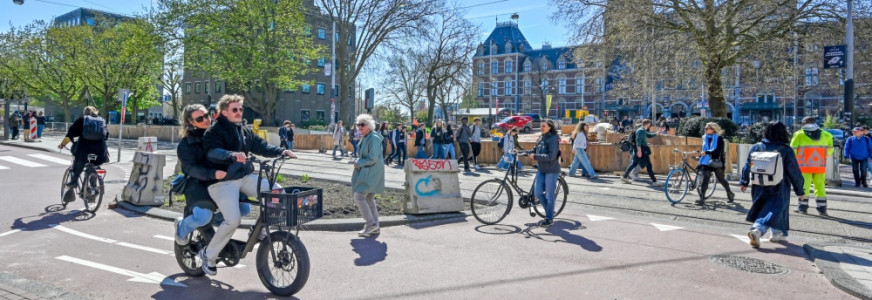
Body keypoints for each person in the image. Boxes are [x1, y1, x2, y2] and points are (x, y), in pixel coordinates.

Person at [200, 95, 296, 276]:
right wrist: (232, 155)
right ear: (224, 112)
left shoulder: (244, 130)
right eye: (234, 109)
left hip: (243, 176)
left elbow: (261, 146)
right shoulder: (214, 131)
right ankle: (208, 255)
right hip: (222, 181)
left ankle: (259, 230)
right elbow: (213, 152)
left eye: (240, 109)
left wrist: (282, 151)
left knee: (277, 192)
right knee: (233, 220)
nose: (239, 112)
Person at [173, 104, 254, 246]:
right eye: (199, 118)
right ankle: (181, 227)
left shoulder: (218, 133)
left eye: (206, 115)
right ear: (191, 123)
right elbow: (190, 168)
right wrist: (213, 173)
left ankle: (215, 221)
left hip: (222, 181)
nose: (206, 120)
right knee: (203, 217)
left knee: (244, 208)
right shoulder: (186, 144)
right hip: (198, 184)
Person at [740, 121, 805, 247]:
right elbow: (794, 171)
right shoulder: (786, 150)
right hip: (779, 185)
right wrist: (800, 190)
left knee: (764, 208)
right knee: (775, 209)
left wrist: (744, 181)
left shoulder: (757, 146)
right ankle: (757, 230)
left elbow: (748, 165)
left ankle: (776, 234)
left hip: (758, 183)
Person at [57, 106, 109, 198]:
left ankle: (73, 183)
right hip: (100, 150)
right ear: (95, 112)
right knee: (93, 166)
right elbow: (106, 136)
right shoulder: (101, 120)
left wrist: (62, 144)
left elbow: (70, 134)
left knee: (78, 166)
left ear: (84, 112)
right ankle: (93, 188)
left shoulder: (82, 120)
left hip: (84, 148)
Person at [790, 116, 834, 216]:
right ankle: (822, 209)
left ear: (804, 123)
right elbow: (831, 149)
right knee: (820, 186)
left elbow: (792, 150)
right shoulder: (826, 135)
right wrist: (822, 156)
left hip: (804, 166)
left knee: (804, 186)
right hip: (819, 165)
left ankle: (802, 208)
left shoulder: (799, 135)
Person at [351, 114, 385, 237]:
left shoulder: (373, 138)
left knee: (359, 196)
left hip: (371, 172)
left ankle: (371, 224)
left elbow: (372, 157)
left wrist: (358, 162)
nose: (360, 127)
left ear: (369, 126)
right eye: (358, 124)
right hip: (371, 171)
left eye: (362, 124)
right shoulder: (367, 137)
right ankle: (375, 226)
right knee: (369, 198)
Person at [527, 119, 561, 227]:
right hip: (542, 169)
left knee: (549, 196)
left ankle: (549, 219)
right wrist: (523, 152)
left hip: (551, 170)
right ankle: (549, 212)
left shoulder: (553, 139)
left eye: (544, 126)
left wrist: (535, 156)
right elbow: (534, 150)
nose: (541, 128)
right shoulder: (541, 137)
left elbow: (551, 156)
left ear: (550, 127)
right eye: (541, 126)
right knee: (537, 193)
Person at [696, 122, 735, 205]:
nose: (705, 130)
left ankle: (730, 193)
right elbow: (703, 148)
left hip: (716, 161)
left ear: (713, 130)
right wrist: (701, 156)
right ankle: (701, 198)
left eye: (707, 128)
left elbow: (718, 150)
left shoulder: (719, 138)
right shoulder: (704, 137)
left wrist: (706, 152)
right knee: (705, 178)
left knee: (721, 179)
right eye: (705, 128)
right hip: (706, 161)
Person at [620, 119, 661, 186]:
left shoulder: (642, 130)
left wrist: (656, 133)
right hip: (642, 150)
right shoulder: (641, 131)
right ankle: (655, 181)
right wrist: (639, 151)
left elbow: (649, 135)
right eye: (649, 124)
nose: (649, 125)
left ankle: (624, 177)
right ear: (647, 124)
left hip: (641, 150)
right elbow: (638, 140)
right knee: (648, 166)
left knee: (634, 163)